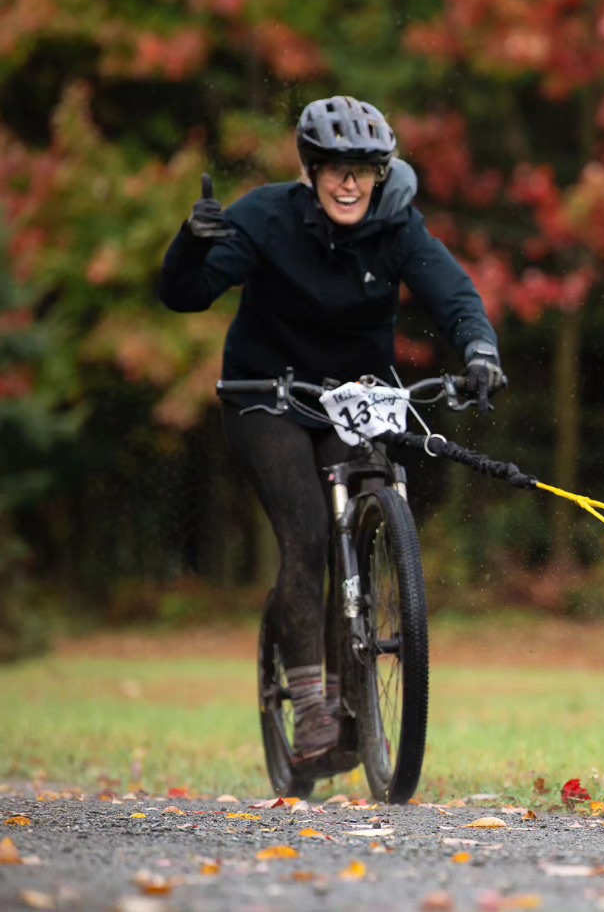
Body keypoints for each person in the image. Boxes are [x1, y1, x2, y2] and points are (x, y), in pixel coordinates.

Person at [158, 95, 504, 761]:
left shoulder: (399, 227)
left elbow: (454, 294)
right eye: (336, 168)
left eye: (364, 169)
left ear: (381, 174)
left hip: (356, 395)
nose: (350, 182)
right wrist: (188, 245)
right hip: (268, 396)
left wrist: (481, 352)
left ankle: (357, 690)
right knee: (308, 531)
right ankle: (312, 698)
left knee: (373, 496)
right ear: (312, 171)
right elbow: (185, 295)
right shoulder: (265, 217)